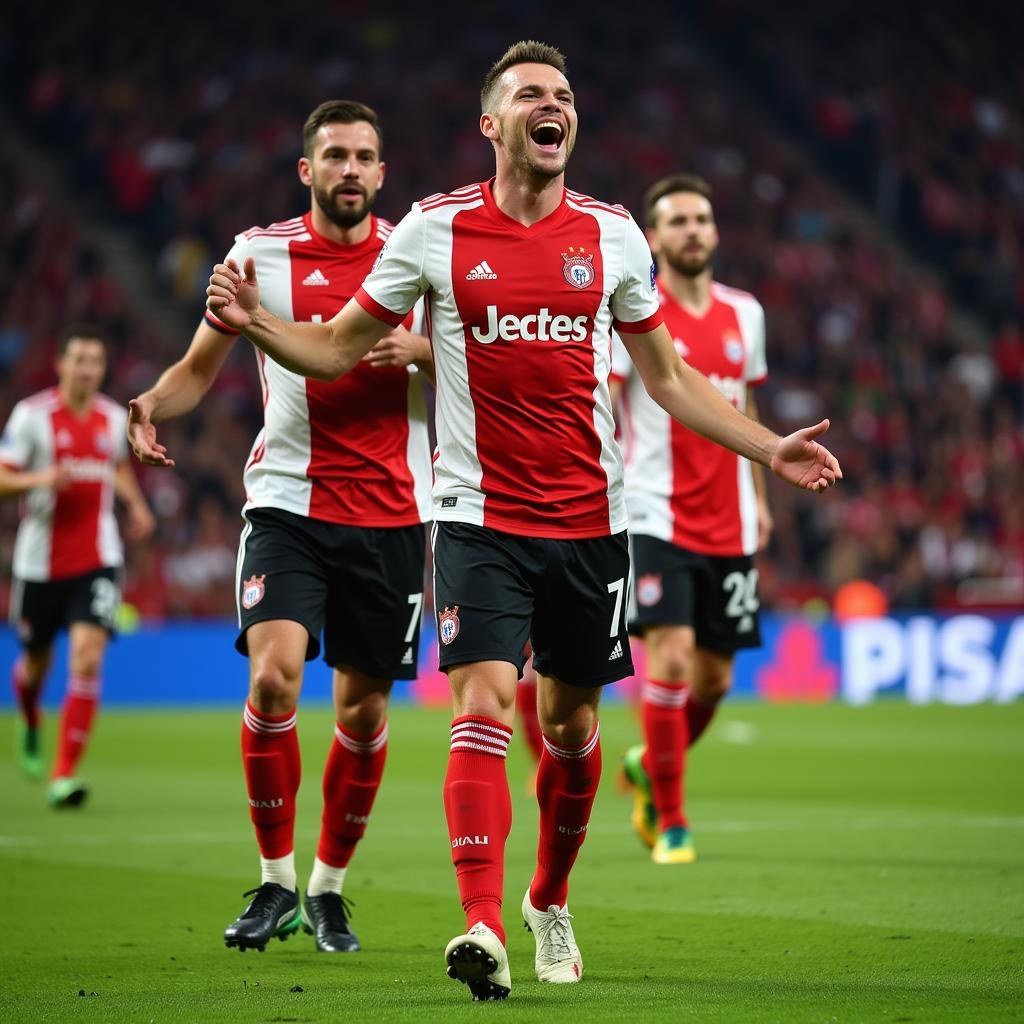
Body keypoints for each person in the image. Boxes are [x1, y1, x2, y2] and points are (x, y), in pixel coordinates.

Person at [206, 41, 842, 1000]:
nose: (555, 106)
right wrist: (255, 323)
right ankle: (483, 923)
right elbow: (338, 352)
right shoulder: (430, 230)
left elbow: (668, 380)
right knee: (482, 706)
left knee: (575, 726)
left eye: (566, 95)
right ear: (492, 125)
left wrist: (767, 448)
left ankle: (549, 900)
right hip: (476, 519)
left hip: (592, 521)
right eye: (532, 95)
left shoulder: (616, 236)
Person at [129, 100, 433, 954]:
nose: (349, 169)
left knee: (364, 714)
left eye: (364, 156)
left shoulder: (420, 258)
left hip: (394, 515)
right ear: (308, 170)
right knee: (272, 681)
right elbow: (197, 369)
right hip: (288, 507)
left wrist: (427, 353)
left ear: (381, 173)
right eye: (333, 155)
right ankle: (275, 883)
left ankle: (330, 889)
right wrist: (154, 403)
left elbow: (483, 360)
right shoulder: (257, 254)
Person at [611, 174, 773, 865]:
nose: (692, 231)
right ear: (654, 237)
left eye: (701, 219)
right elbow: (607, 403)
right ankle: (672, 820)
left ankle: (651, 759)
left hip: (730, 516)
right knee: (670, 656)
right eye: (677, 221)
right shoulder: (635, 313)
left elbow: (748, 410)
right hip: (653, 508)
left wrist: (761, 499)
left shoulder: (746, 314)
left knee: (713, 681)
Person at [1, 325, 155, 808]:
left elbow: (117, 465)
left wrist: (135, 505)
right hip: (39, 564)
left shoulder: (113, 418)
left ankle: (63, 774)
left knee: (87, 656)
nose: (88, 369)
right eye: (80, 360)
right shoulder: (31, 416)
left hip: (98, 559)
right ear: (61, 364)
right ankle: (29, 718)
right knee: (34, 669)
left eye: (97, 362)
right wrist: (42, 478)